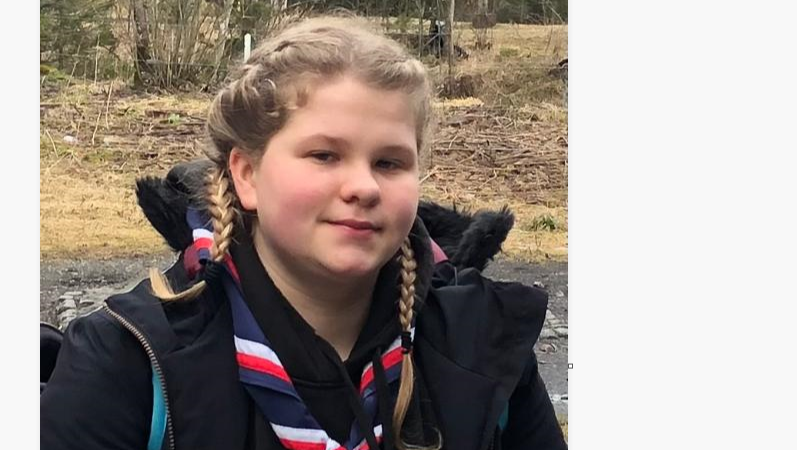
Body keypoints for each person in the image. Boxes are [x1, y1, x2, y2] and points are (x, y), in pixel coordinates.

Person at [40, 16, 567, 450]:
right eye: (324, 155)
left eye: (389, 162)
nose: (363, 186)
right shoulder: (127, 360)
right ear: (247, 175)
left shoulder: (486, 344)